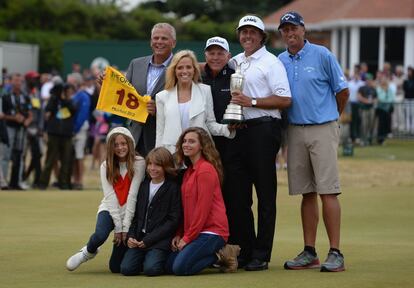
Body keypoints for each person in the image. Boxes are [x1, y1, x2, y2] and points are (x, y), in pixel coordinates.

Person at [278, 11, 349, 272]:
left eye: (293, 28)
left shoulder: (322, 54)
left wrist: (330, 119)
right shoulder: (280, 60)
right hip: (295, 131)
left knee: (328, 190)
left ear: (303, 29)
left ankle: (336, 252)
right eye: (285, 30)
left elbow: (342, 91)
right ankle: (310, 251)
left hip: (323, 127)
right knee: (306, 192)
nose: (290, 33)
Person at [228, 15, 292, 271]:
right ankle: (245, 249)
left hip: (264, 129)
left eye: (252, 32)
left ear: (261, 36)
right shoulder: (236, 61)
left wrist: (251, 102)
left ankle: (262, 254)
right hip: (240, 131)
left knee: (265, 194)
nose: (247, 36)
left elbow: (284, 99)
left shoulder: (271, 62)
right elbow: (211, 64)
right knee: (240, 196)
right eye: (243, 32)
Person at [66, 127, 146, 272]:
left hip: (130, 212)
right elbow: (110, 196)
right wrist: (118, 228)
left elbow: (132, 195)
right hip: (110, 208)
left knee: (115, 268)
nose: (120, 148)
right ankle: (87, 252)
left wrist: (125, 228)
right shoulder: (106, 165)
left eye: (123, 143)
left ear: (130, 143)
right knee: (100, 235)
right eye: (115, 145)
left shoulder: (139, 162)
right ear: (110, 147)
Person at [165, 127, 239, 276]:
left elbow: (202, 210)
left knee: (180, 268)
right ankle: (214, 255)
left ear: (202, 146)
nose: (186, 144)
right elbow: (186, 209)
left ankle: (222, 253)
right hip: (196, 231)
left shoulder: (205, 170)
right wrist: (180, 233)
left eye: (192, 141)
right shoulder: (188, 172)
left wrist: (187, 238)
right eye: (184, 141)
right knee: (169, 266)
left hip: (213, 231)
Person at [155, 50, 234, 154]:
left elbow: (210, 124)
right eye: (180, 67)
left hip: (200, 153)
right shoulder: (161, 97)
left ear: (194, 70)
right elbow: (160, 132)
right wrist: (159, 156)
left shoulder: (205, 91)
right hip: (172, 154)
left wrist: (228, 128)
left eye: (188, 67)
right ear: (174, 70)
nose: (184, 71)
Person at [120, 147, 181, 276]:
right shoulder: (143, 186)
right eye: (150, 164)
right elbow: (136, 216)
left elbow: (173, 220)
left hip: (159, 240)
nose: (152, 168)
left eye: (157, 165)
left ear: (166, 167)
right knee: (126, 269)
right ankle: (146, 259)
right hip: (139, 239)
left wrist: (150, 239)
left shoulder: (172, 188)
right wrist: (131, 236)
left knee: (151, 270)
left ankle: (160, 259)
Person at [125, 23, 176, 157]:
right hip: (135, 134)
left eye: (164, 38)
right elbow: (124, 94)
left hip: (164, 137)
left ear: (173, 43)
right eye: (156, 38)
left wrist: (159, 109)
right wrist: (107, 84)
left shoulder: (180, 67)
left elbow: (185, 101)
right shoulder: (135, 64)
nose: (159, 42)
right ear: (150, 41)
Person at [38, 83, 76, 190]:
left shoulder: (69, 101)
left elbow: (73, 110)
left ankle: (63, 183)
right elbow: (48, 112)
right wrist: (56, 100)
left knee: (66, 159)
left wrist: (66, 99)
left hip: (67, 134)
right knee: (50, 159)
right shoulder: (53, 100)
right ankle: (43, 182)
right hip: (54, 133)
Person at [1, 73, 33, 190]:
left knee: (20, 155)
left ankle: (17, 181)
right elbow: (2, 115)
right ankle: (3, 181)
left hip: (21, 129)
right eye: (15, 80)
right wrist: (13, 118)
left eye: (20, 81)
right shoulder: (5, 96)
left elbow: (30, 114)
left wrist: (28, 120)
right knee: (6, 155)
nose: (18, 83)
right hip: (9, 128)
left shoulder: (25, 96)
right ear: (11, 82)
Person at [68, 73, 91, 190]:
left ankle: (79, 180)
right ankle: (74, 179)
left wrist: (75, 128)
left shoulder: (83, 96)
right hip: (71, 130)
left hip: (80, 129)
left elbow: (82, 115)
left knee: (79, 155)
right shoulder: (74, 95)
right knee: (73, 156)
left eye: (71, 82)